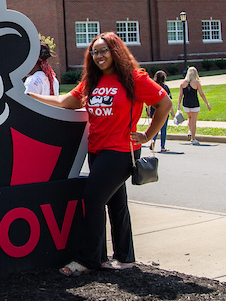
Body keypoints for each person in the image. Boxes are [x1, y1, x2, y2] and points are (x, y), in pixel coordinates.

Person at [28, 32, 171, 275]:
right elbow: (65, 102)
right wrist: (29, 96)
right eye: (94, 52)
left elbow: (164, 104)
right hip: (96, 150)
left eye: (104, 50)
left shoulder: (133, 79)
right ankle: (124, 258)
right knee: (116, 203)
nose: (99, 56)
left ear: (116, 51)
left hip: (120, 151)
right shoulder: (91, 81)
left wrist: (147, 135)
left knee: (93, 199)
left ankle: (88, 260)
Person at [179, 66, 211, 145]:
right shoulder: (197, 83)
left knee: (189, 118)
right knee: (193, 121)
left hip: (185, 103)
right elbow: (201, 94)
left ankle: (190, 131)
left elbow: (180, 95)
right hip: (194, 103)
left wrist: (178, 104)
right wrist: (207, 103)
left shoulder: (182, 83)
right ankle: (193, 138)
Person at [153, 70, 172, 153]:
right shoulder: (165, 87)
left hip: (154, 109)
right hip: (163, 110)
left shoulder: (153, 86)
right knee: (163, 128)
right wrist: (172, 111)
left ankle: (153, 140)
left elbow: (148, 99)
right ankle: (162, 146)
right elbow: (169, 101)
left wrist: (148, 110)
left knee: (155, 127)